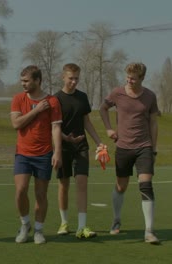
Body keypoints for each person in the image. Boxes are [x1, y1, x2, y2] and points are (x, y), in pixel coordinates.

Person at [99, 62, 160, 245]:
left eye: (133, 78)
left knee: (146, 184)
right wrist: (109, 129)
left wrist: (153, 148)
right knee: (121, 186)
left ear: (142, 78)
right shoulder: (117, 93)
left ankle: (149, 231)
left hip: (144, 146)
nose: (129, 80)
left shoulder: (150, 96)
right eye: (127, 76)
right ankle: (116, 219)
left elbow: (154, 123)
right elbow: (103, 108)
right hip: (124, 147)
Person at [10, 65, 62, 244]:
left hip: (44, 154)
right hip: (23, 154)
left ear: (37, 80)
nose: (23, 84)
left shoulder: (53, 101)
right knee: (20, 190)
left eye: (26, 81)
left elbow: (55, 128)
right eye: (22, 80)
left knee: (41, 194)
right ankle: (25, 224)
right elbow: (16, 124)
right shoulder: (18, 99)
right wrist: (37, 110)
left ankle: (39, 230)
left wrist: (57, 152)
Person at [54, 63, 107, 239]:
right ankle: (64, 223)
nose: (74, 82)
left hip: (81, 146)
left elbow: (86, 122)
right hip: (63, 147)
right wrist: (65, 139)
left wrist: (99, 142)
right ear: (63, 77)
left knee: (82, 183)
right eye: (71, 78)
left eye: (77, 78)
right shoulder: (56, 99)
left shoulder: (82, 97)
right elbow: (53, 127)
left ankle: (82, 227)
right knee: (63, 185)